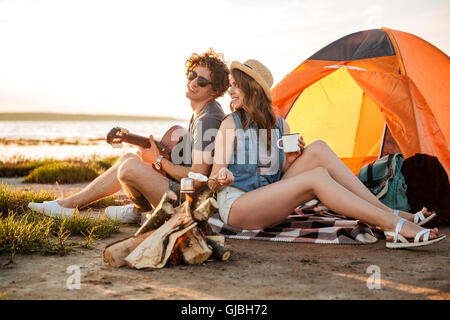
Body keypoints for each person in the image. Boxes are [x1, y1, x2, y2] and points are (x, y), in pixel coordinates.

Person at [207, 58, 446, 249]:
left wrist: (290, 160)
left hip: (267, 200)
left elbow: (277, 177)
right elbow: (213, 182)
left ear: (253, 89)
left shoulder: (280, 126)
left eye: (236, 84)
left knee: (318, 148)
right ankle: (391, 223)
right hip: (238, 206)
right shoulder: (230, 124)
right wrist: (222, 177)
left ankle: (390, 213)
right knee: (317, 177)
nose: (231, 90)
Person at [28, 48, 230, 223]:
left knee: (129, 168)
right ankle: (68, 205)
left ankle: (143, 211)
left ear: (215, 90)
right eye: (191, 75)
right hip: (185, 193)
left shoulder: (208, 119)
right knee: (129, 157)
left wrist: (159, 162)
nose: (193, 82)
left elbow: (198, 179)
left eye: (201, 81)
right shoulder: (203, 112)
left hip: (193, 203)